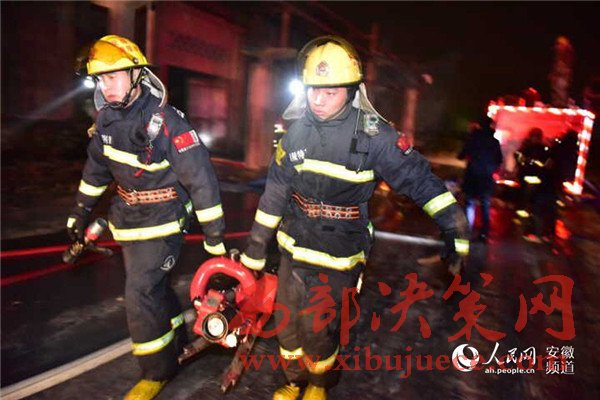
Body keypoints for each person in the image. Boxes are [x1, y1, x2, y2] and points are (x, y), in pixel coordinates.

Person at [239, 36, 470, 400]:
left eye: (329, 92)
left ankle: (319, 385)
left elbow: (419, 181)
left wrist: (453, 226)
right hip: (293, 245)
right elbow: (275, 194)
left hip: (339, 252)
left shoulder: (374, 135)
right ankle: (295, 380)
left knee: (317, 327)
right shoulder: (295, 133)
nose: (318, 100)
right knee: (286, 324)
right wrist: (254, 251)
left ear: (351, 91)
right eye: (313, 90)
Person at [67, 35, 226, 400]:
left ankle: (156, 371)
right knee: (155, 289)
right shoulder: (106, 122)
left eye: (113, 76)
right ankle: (175, 339)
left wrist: (214, 239)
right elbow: (95, 173)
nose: (105, 86)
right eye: (100, 79)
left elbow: (201, 181)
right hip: (128, 222)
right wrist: (79, 212)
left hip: (165, 222)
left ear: (137, 74)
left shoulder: (168, 123)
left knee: (139, 292)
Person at [458, 116, 503, 242]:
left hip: (472, 175)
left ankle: (467, 230)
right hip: (486, 177)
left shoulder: (473, 139)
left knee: (470, 203)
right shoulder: (494, 142)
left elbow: (461, 155)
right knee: (485, 204)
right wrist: (491, 169)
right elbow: (499, 160)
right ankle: (484, 233)